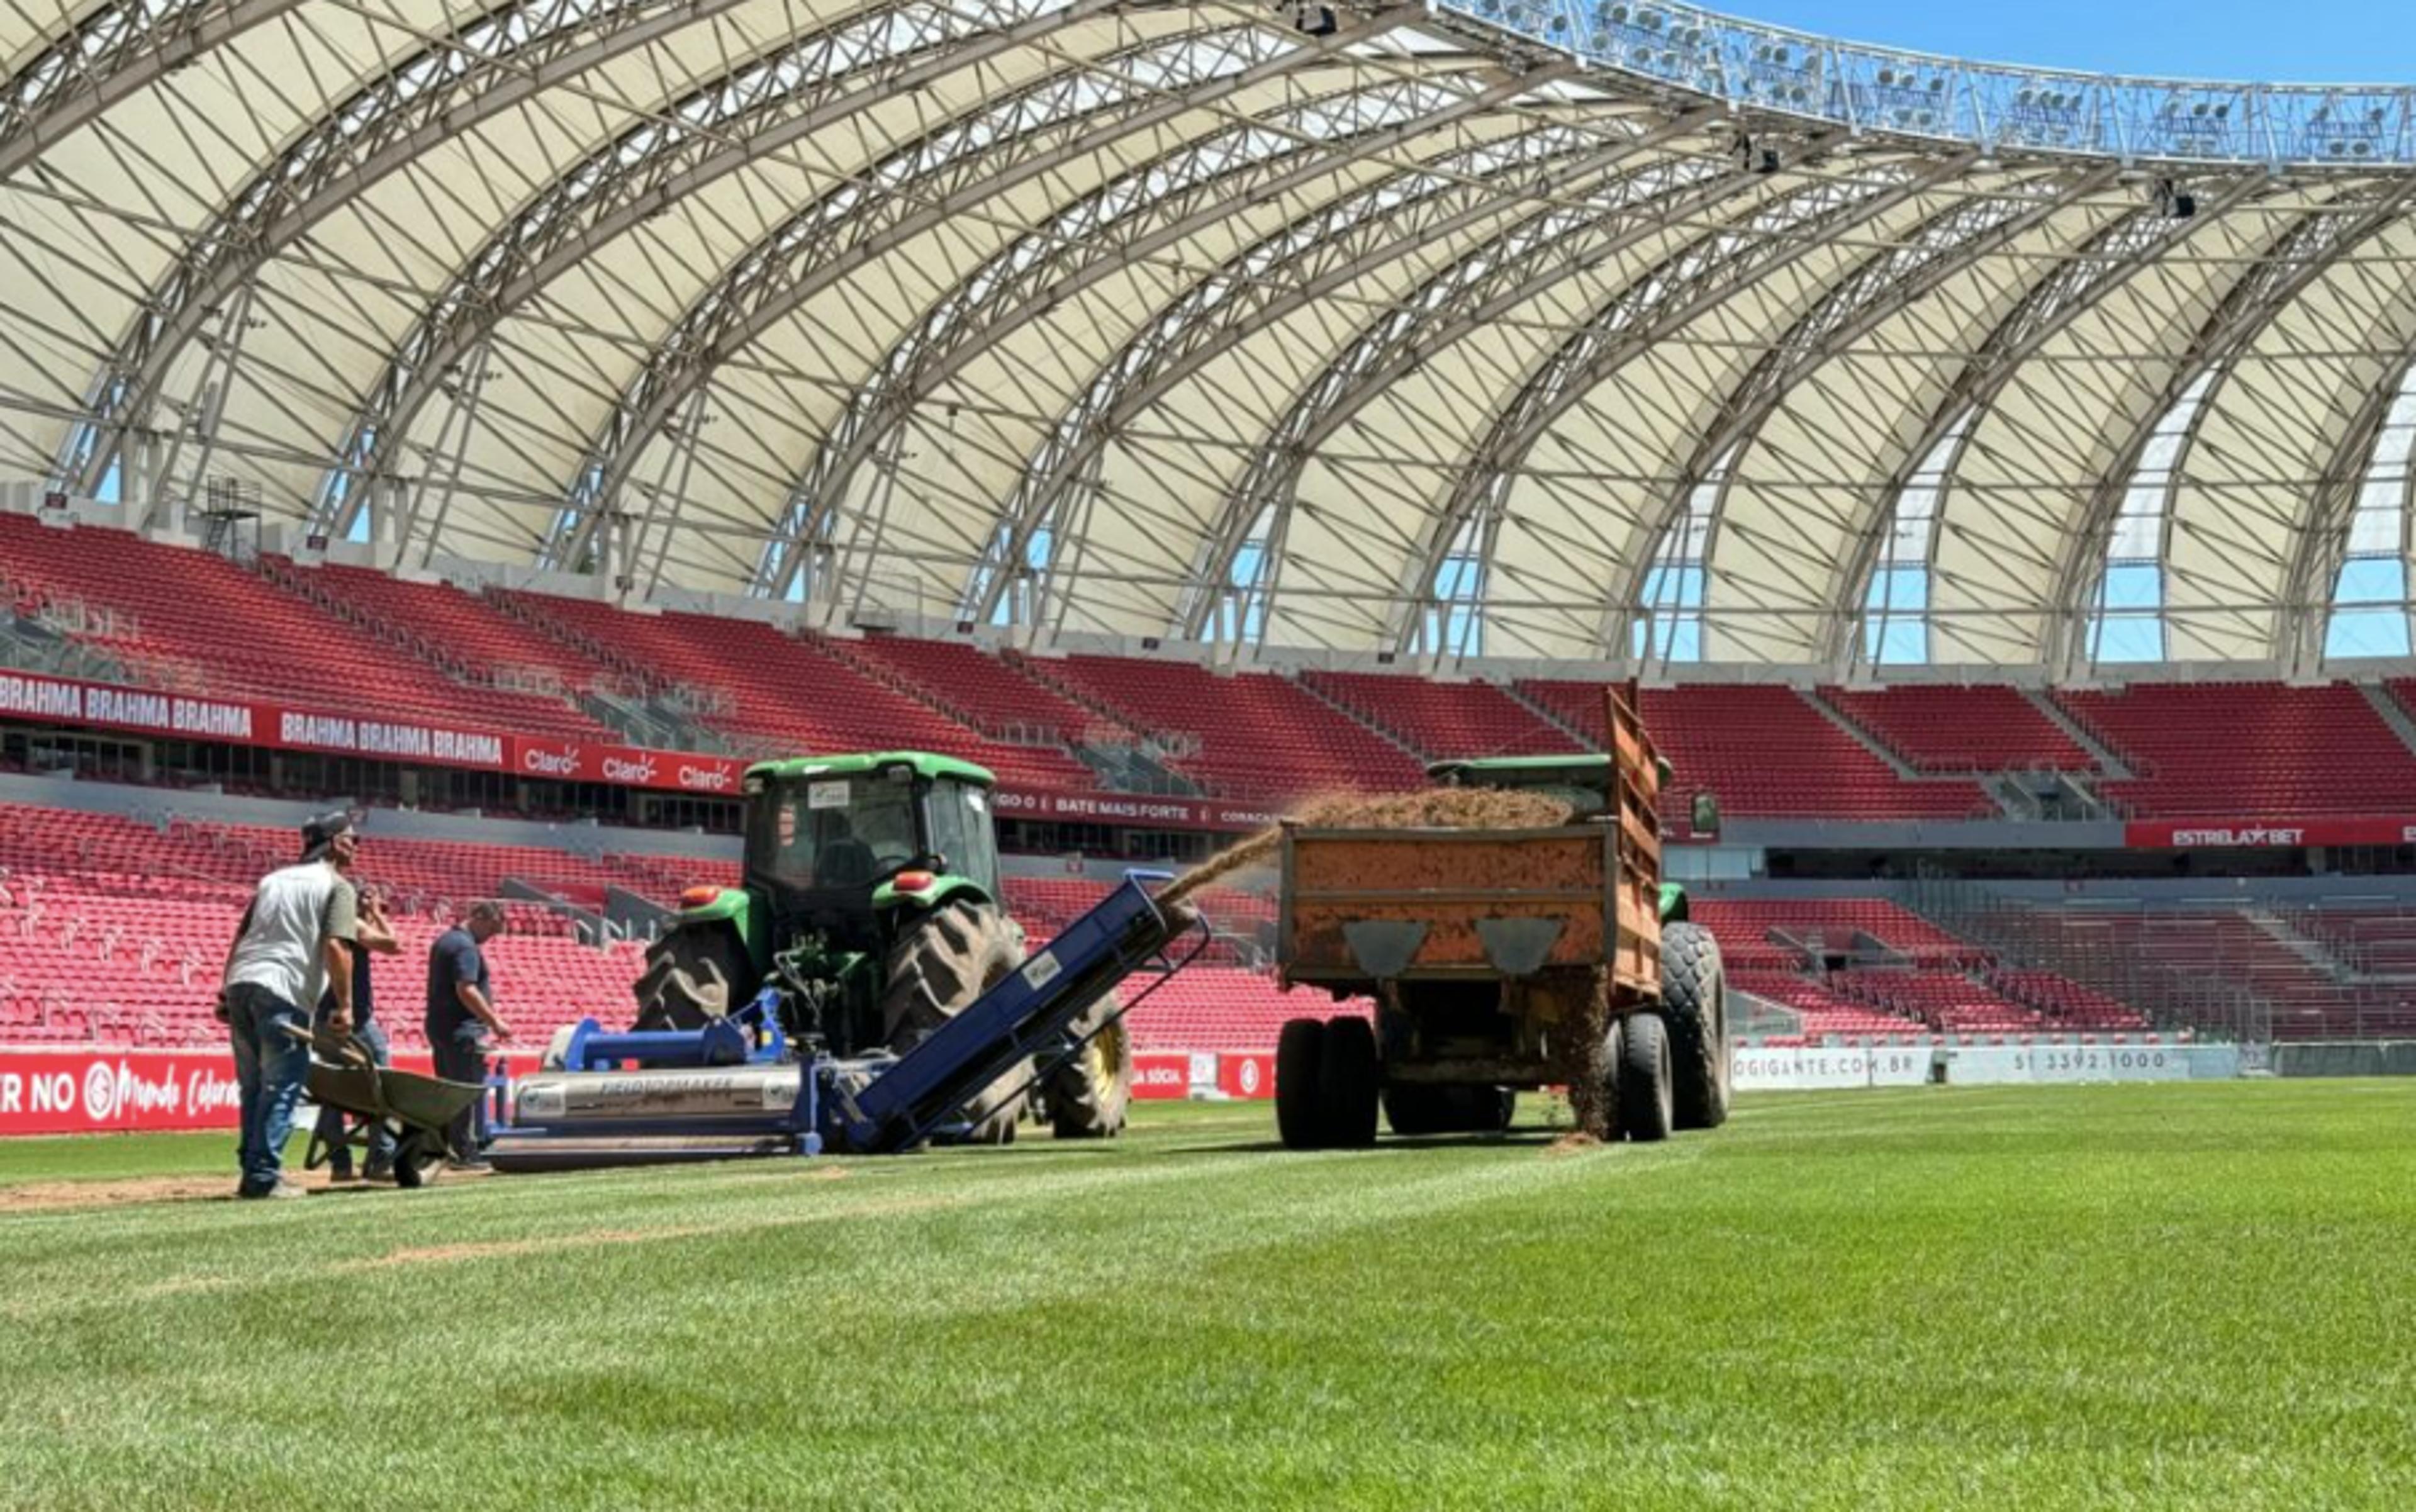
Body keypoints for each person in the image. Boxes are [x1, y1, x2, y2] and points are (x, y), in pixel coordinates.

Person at [218, 810, 360, 1200]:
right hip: (284, 988)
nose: (357, 846)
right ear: (336, 843)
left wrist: (223, 991)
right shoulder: (337, 886)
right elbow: (336, 946)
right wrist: (345, 1006)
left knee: (252, 1087)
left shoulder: (271, 881)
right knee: (281, 1086)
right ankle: (263, 1176)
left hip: (243, 981)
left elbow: (241, 935)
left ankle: (252, 1166)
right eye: (353, 839)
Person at [313, 881, 401, 1182]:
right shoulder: (351, 922)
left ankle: (340, 1164)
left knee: (331, 1090)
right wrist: (376, 913)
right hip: (355, 1019)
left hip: (322, 1016)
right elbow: (394, 945)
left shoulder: (321, 921)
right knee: (385, 1084)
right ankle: (381, 1159)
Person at [426, 900, 512, 1168]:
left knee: (448, 1091)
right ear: (480, 918)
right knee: (466, 1091)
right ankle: (463, 1151)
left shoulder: (446, 941)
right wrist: (495, 1021)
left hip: (441, 1025)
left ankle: (442, 1148)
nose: (491, 936)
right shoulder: (465, 947)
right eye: (492, 929)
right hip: (462, 1030)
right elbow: (467, 989)